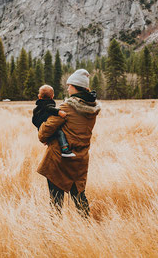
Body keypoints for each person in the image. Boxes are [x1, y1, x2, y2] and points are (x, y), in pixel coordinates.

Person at [37, 69, 101, 217]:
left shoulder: (67, 107)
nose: (67, 88)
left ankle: (55, 234)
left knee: (56, 202)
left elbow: (44, 132)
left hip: (60, 161)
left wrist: (45, 134)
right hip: (80, 160)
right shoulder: (92, 108)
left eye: (69, 85)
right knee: (79, 198)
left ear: (75, 86)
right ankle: (87, 229)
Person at [32, 84, 76, 157]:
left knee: (50, 136)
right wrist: (59, 112)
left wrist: (39, 129)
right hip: (45, 125)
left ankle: (46, 140)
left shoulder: (37, 108)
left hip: (41, 127)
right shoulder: (47, 104)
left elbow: (34, 120)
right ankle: (64, 149)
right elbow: (49, 108)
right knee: (60, 133)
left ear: (39, 97)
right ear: (52, 96)